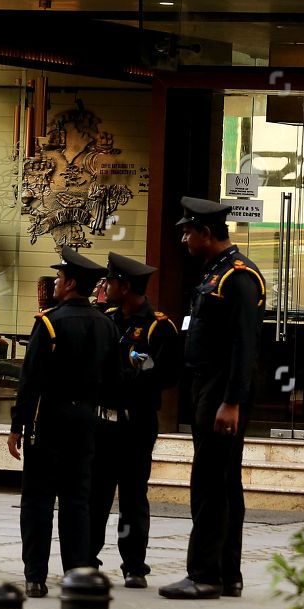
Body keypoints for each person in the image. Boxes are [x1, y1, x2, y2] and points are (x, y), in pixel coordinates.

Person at [159, 196, 264, 600]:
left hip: (222, 389)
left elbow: (245, 345)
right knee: (222, 481)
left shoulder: (237, 276)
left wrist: (232, 401)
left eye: (188, 231)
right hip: (208, 385)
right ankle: (226, 572)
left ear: (206, 233)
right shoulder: (215, 272)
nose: (184, 238)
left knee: (210, 483)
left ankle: (205, 574)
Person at [7, 247, 118, 598]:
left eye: (59, 277)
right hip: (87, 420)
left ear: (70, 283)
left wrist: (17, 426)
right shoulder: (106, 324)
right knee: (77, 500)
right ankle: (76, 573)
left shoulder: (50, 323)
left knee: (38, 499)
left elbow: (31, 380)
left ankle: (36, 575)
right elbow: (114, 380)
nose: (55, 282)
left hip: (51, 419)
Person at [90, 252, 178, 589]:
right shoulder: (107, 319)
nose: (106, 286)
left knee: (132, 497)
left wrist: (131, 378)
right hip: (103, 422)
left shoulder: (159, 326)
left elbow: (167, 374)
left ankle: (134, 565)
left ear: (124, 286)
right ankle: (88, 558)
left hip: (136, 423)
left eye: (110, 281)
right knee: (96, 495)